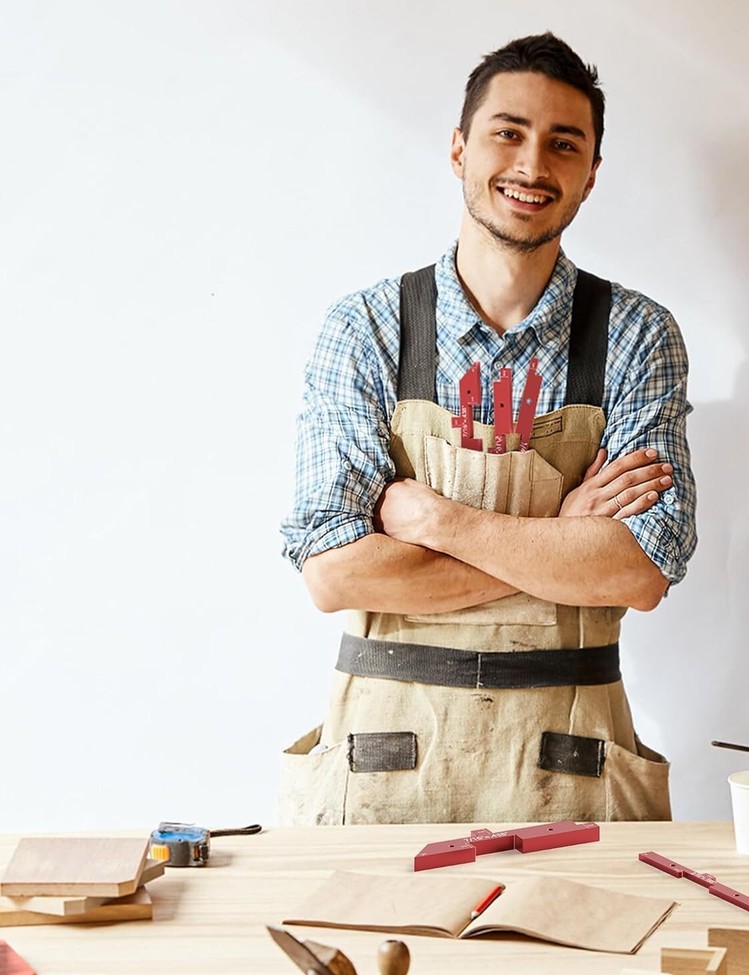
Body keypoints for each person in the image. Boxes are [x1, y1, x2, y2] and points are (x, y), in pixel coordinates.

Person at [279, 32, 696, 825]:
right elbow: (334, 575)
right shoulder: (367, 328)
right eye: (508, 132)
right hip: (382, 768)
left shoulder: (636, 335)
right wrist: (562, 536)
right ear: (459, 148)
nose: (533, 166)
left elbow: (641, 570)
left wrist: (435, 520)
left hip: (572, 767)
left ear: (591, 174)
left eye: (562, 144)